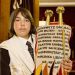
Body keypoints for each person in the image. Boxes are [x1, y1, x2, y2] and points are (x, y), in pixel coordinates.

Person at [0, 8, 72, 75]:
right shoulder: (5, 48)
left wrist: (65, 66)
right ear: (12, 24)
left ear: (31, 24)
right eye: (18, 20)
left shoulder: (43, 40)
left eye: (26, 20)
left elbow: (54, 64)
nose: (22, 24)